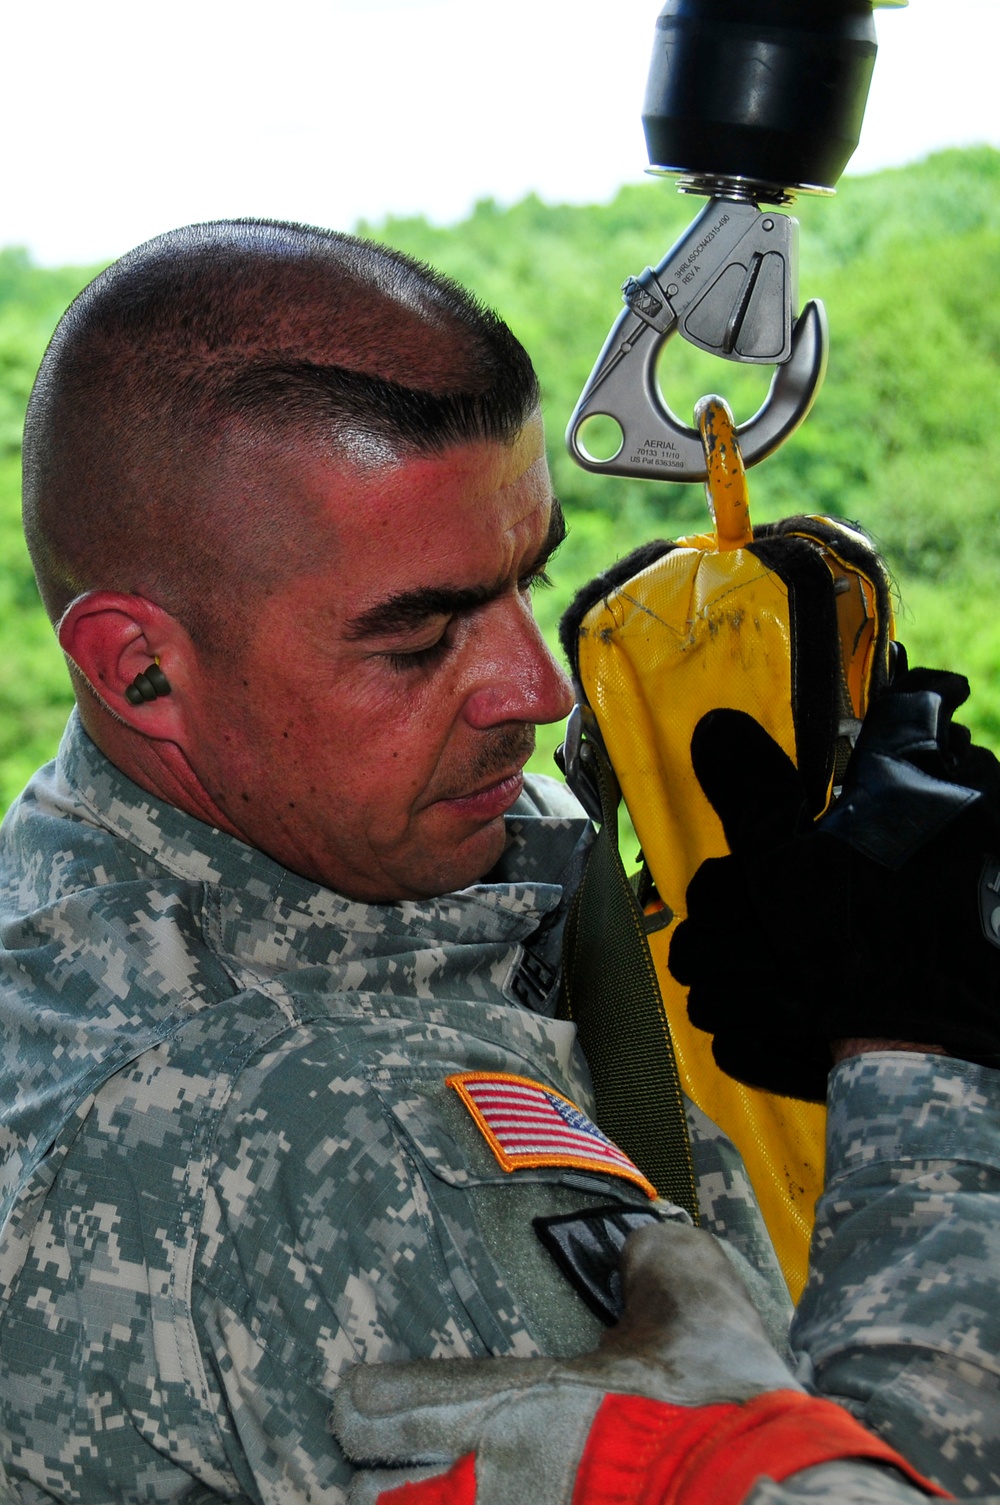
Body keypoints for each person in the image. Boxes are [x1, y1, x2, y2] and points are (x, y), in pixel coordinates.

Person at [0, 218, 995, 1503]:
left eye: (527, 577)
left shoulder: (142, 873)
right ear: (140, 666)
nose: (532, 684)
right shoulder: (327, 1143)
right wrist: (919, 1069)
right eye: (418, 638)